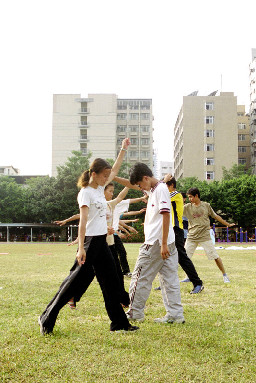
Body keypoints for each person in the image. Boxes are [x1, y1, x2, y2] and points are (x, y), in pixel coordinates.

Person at [38, 138, 139, 334]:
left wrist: (123, 150)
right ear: (94, 174)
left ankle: (119, 323)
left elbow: (116, 170)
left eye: (107, 176)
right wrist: (82, 248)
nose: (107, 179)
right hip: (91, 242)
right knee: (73, 282)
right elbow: (83, 221)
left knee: (110, 282)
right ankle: (46, 317)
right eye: (104, 175)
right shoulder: (85, 193)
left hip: (101, 241)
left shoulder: (100, 188)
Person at [114, 163, 184, 324]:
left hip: (156, 243)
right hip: (166, 243)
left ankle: (135, 312)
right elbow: (130, 184)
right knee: (169, 279)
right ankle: (175, 314)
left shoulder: (159, 190)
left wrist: (164, 243)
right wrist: (113, 177)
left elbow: (166, 215)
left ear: (146, 178)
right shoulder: (154, 187)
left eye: (140, 184)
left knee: (140, 277)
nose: (139, 188)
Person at [155, 176, 204, 294]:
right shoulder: (168, 195)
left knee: (182, 257)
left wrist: (159, 183)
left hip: (176, 229)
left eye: (166, 185)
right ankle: (165, 283)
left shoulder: (176, 195)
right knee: (165, 257)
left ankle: (197, 283)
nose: (164, 188)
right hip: (169, 229)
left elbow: (160, 196)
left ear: (171, 185)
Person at [184, 187, 234, 283]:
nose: (189, 199)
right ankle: (188, 276)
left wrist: (227, 224)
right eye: (188, 197)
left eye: (191, 197)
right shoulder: (187, 207)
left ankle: (225, 275)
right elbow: (175, 212)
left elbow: (216, 216)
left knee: (214, 256)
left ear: (196, 196)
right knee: (185, 258)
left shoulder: (206, 206)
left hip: (204, 236)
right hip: (191, 236)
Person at [112, 196, 147, 277]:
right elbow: (112, 224)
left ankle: (125, 271)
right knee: (111, 254)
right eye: (110, 191)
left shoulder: (118, 210)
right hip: (108, 235)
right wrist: (124, 231)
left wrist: (127, 229)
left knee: (122, 252)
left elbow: (123, 218)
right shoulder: (109, 207)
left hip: (114, 235)